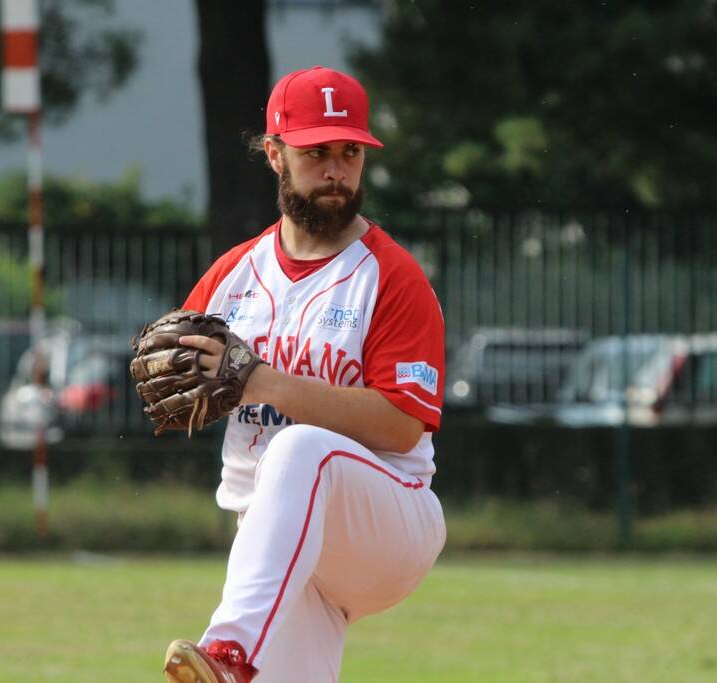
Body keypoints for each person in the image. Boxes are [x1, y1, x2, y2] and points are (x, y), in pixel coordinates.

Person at [162, 65, 446, 683]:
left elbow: (402, 427)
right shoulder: (231, 280)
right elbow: (179, 388)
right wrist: (176, 388)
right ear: (274, 155)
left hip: (385, 522)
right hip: (279, 549)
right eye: (316, 152)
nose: (336, 170)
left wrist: (260, 380)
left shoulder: (392, 278)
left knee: (299, 449)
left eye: (350, 152)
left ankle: (230, 652)